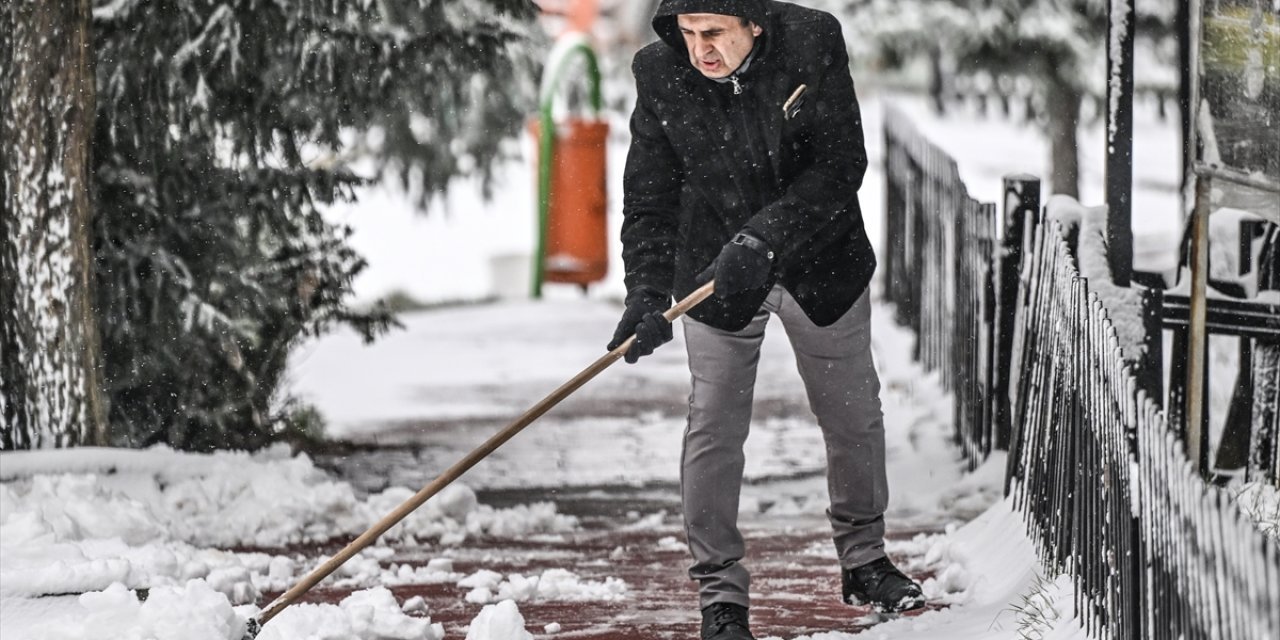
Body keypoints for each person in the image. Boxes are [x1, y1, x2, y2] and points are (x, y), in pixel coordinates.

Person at [605, 1, 925, 638]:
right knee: (714, 425)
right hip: (713, 277)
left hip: (819, 261)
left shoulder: (812, 42)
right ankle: (719, 595)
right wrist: (644, 292)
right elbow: (649, 194)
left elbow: (841, 165)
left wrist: (763, 240)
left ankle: (865, 560)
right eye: (689, 34)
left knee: (852, 413)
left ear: (754, 24)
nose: (701, 50)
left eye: (715, 34)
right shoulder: (659, 72)